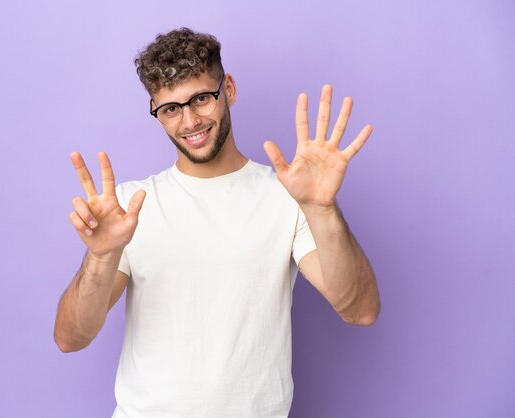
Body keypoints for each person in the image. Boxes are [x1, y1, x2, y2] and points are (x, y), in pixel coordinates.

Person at [54, 27, 381, 418]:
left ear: (229, 89)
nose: (190, 120)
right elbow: (71, 338)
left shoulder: (287, 197)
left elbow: (359, 310)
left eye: (202, 98)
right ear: (157, 114)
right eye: (171, 108)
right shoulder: (129, 208)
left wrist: (322, 208)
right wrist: (102, 256)